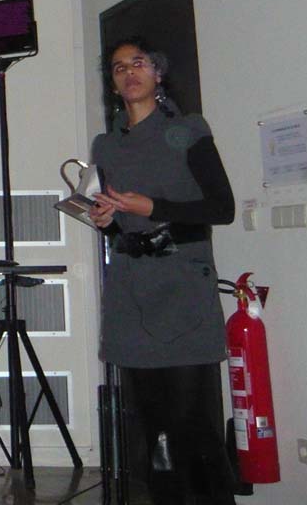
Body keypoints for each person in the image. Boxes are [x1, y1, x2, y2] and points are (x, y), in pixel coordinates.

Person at [88, 36, 238, 504]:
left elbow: (222, 208)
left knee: (193, 428)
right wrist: (107, 221)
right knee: (154, 436)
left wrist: (153, 206)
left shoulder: (188, 130)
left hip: (182, 289)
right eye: (118, 68)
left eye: (138, 63)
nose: (129, 73)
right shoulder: (105, 146)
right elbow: (121, 225)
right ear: (113, 84)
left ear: (157, 73)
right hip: (131, 293)